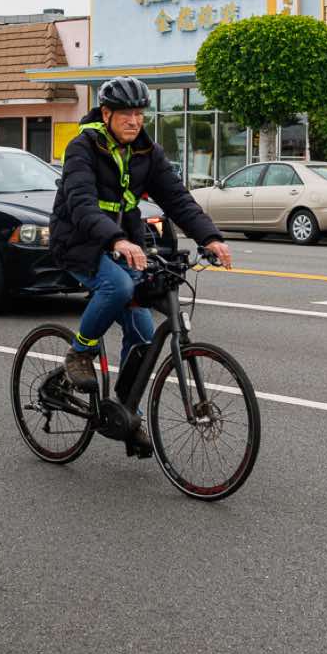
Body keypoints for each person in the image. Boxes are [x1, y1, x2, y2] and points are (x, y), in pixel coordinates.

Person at [51, 75, 231, 410]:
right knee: (117, 286)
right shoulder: (82, 148)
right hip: (78, 242)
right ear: (107, 114)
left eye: (139, 114)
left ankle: (124, 412)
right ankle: (80, 351)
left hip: (126, 245)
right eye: (126, 114)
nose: (134, 121)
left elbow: (178, 199)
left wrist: (210, 237)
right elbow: (81, 204)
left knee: (145, 338)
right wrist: (116, 240)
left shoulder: (147, 151)